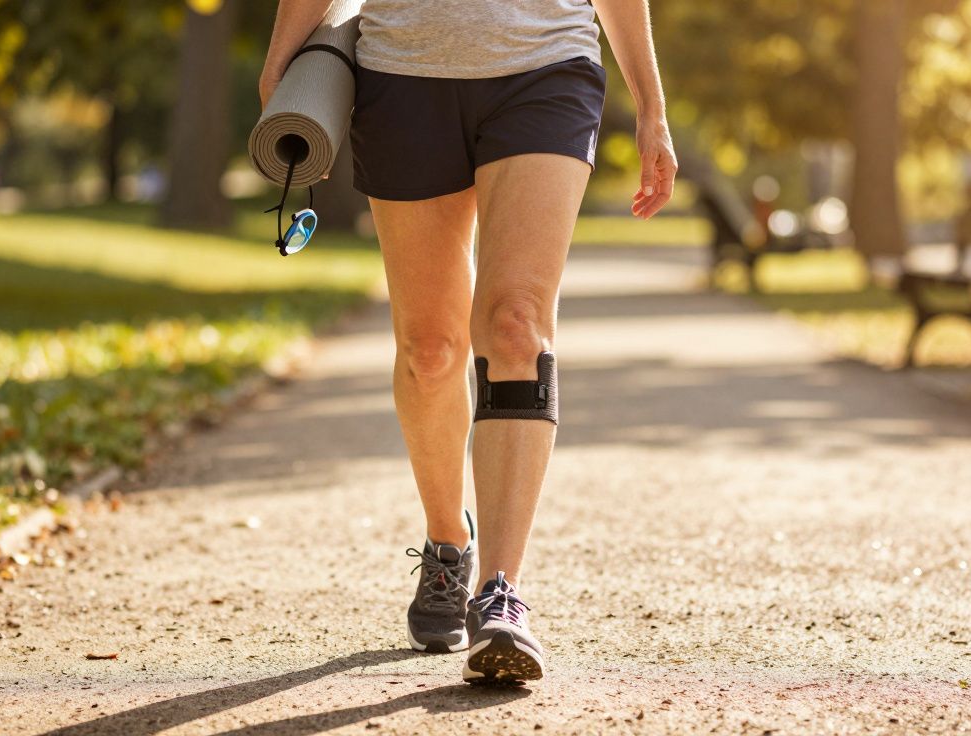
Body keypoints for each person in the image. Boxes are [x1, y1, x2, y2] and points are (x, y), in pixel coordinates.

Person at [260, 0, 676, 686]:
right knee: (430, 351)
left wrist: (652, 107)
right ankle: (448, 543)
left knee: (516, 323)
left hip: (547, 65)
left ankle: (500, 592)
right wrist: (281, 64)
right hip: (402, 73)